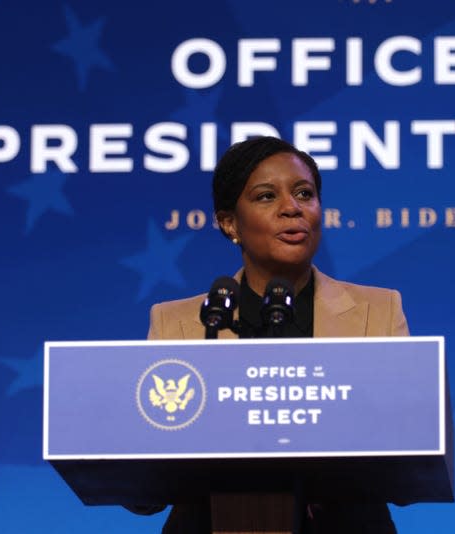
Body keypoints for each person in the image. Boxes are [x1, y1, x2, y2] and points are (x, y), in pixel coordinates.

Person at [142, 136, 409, 533]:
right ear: (229, 222)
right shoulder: (177, 324)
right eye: (267, 197)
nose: (292, 208)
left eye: (305, 193)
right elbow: (146, 484)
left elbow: (407, 462)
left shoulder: (379, 313)